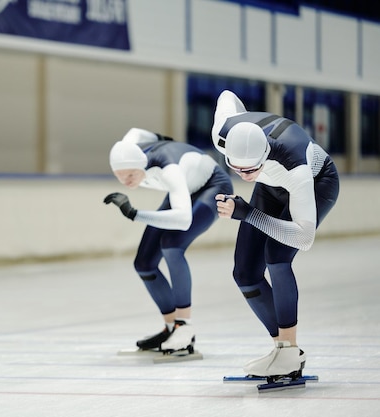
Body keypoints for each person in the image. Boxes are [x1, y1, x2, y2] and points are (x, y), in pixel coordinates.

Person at [211, 90, 339, 377]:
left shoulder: (296, 167)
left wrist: (249, 214)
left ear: (264, 155)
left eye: (250, 169)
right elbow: (227, 95)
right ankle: (282, 349)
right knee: (244, 272)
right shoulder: (222, 133)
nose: (244, 175)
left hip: (319, 183)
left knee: (277, 256)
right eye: (237, 169)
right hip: (269, 183)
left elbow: (303, 238)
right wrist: (243, 120)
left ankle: (290, 352)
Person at [104, 128, 233, 352]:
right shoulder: (129, 147)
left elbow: (183, 220)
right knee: (144, 263)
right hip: (186, 187)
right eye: (120, 177)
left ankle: (184, 326)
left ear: (141, 165)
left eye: (131, 176)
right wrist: (157, 138)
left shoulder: (169, 170)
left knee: (172, 244)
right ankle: (170, 327)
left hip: (213, 186)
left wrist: (135, 214)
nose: (126, 182)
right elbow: (135, 132)